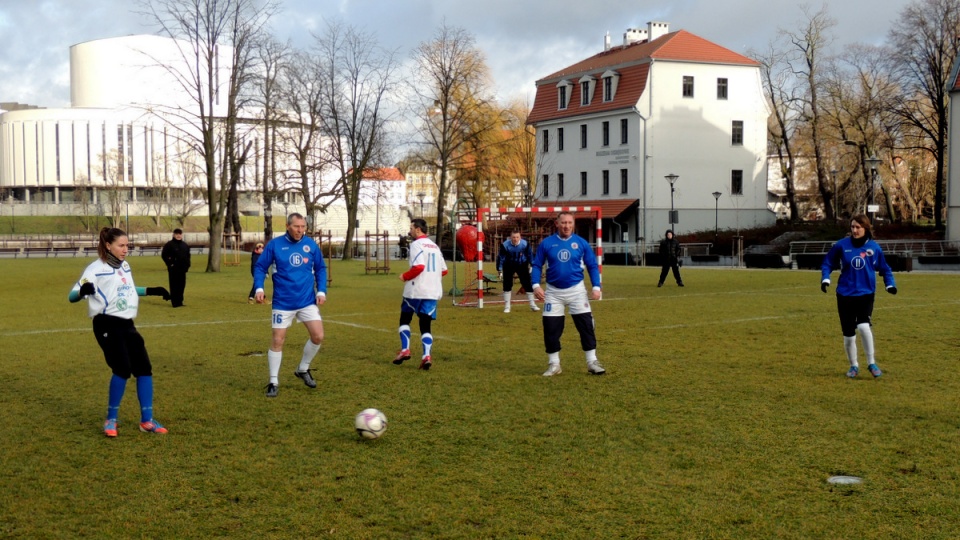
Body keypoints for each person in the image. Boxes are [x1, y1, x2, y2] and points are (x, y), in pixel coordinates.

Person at [68, 227, 171, 437]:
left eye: (127, 245)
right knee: (122, 368)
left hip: (127, 324)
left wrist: (152, 291)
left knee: (144, 368)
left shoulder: (125, 266)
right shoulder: (95, 269)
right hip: (106, 324)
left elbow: (129, 290)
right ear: (108, 246)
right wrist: (81, 292)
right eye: (121, 245)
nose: (126, 249)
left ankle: (147, 421)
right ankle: (111, 420)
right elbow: (72, 295)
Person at [253, 213, 328, 398]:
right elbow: (261, 267)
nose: (300, 230)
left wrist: (321, 291)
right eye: (296, 227)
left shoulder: (310, 245)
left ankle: (303, 369)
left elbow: (320, 268)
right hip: (283, 302)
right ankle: (273, 381)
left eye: (303, 227)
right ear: (288, 225)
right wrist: (259, 288)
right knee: (278, 340)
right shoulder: (275, 245)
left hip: (306, 301)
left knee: (318, 336)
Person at [821, 214, 897, 378]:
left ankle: (871, 363)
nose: (854, 230)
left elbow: (885, 269)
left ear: (866, 228)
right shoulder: (841, 246)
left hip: (865, 294)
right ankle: (853, 366)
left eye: (858, 227)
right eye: (852, 227)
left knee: (863, 326)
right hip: (844, 294)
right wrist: (825, 278)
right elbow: (827, 263)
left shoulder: (874, 248)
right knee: (849, 335)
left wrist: (890, 284)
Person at [531, 212, 605, 376]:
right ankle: (554, 364)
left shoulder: (581, 243)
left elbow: (592, 265)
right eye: (563, 223)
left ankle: (592, 361)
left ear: (573, 224)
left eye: (569, 223)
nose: (566, 226)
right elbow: (536, 265)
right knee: (551, 328)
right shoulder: (547, 243)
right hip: (553, 292)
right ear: (557, 224)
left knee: (586, 327)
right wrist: (536, 285)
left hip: (577, 291)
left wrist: (596, 286)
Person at [393, 218, 448, 371]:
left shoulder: (416, 245)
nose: (409, 231)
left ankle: (405, 349)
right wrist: (432, 278)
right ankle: (426, 356)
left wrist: (405, 276)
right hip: (433, 291)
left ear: (417, 229)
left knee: (405, 318)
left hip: (416, 290)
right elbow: (444, 270)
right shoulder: (435, 247)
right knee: (425, 324)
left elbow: (418, 267)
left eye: (411, 228)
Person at [497, 230, 540, 313]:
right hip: (508, 265)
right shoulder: (505, 245)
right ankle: (507, 306)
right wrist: (499, 269)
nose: (515, 239)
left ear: (520, 237)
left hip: (522, 264)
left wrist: (532, 265)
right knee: (507, 284)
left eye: (517, 237)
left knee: (527, 284)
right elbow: (501, 257)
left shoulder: (525, 244)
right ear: (510, 238)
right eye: (513, 237)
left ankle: (533, 305)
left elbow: (529, 254)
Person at [161, 228, 191, 307]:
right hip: (173, 269)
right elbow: (164, 255)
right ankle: (175, 303)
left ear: (182, 235)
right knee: (174, 286)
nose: (178, 235)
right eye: (177, 234)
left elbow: (188, 256)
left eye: (180, 234)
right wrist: (170, 264)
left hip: (182, 269)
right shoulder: (169, 245)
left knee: (181, 286)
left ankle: (180, 301)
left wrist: (188, 265)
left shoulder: (185, 245)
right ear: (174, 235)